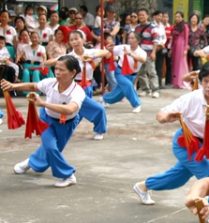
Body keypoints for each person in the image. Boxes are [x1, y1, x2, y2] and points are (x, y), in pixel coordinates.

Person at [133, 61, 209, 222]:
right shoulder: (191, 98)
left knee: (177, 178)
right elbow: (162, 114)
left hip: (206, 145)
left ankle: (144, 186)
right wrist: (166, 118)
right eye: (205, 81)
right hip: (186, 143)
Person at [4, 55, 86, 188]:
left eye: (62, 70)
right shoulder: (50, 82)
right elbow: (33, 85)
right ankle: (68, 175)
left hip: (66, 124)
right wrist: (13, 86)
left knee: (53, 149)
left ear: (73, 73)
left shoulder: (78, 92)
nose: (57, 72)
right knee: (51, 147)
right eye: (56, 69)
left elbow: (70, 109)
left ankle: (31, 162)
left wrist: (43, 103)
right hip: (46, 119)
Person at [52, 30, 109, 141]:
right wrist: (46, 62)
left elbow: (105, 53)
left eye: (77, 38)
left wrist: (90, 57)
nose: (74, 41)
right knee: (97, 109)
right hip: (75, 88)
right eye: (72, 40)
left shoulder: (90, 52)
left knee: (79, 112)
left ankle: (63, 129)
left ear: (83, 39)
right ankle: (99, 130)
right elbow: (55, 61)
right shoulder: (69, 57)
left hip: (88, 86)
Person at [102, 32, 146, 113]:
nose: (130, 40)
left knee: (119, 94)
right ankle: (136, 104)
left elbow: (143, 60)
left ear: (138, 40)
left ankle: (105, 99)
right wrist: (107, 48)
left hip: (132, 75)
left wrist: (130, 54)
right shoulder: (123, 47)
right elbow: (109, 51)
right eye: (129, 38)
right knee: (129, 86)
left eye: (132, 38)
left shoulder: (142, 52)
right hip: (120, 72)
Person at [135, 9, 160, 98]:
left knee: (152, 72)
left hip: (149, 53)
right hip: (140, 53)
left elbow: (156, 41)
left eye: (143, 15)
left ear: (147, 16)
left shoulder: (153, 27)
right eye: (140, 15)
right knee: (141, 72)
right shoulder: (137, 27)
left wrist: (154, 52)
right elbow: (136, 40)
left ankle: (155, 90)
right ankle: (145, 89)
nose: (141, 17)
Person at [170, 11, 189, 88]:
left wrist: (185, 49)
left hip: (181, 45)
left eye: (179, 17)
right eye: (176, 16)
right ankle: (175, 82)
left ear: (182, 17)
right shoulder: (175, 26)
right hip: (175, 46)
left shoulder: (185, 26)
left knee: (181, 64)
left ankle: (181, 82)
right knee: (175, 64)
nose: (177, 18)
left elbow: (186, 38)